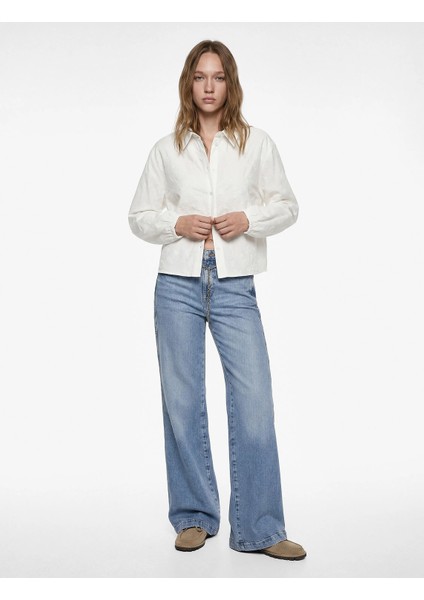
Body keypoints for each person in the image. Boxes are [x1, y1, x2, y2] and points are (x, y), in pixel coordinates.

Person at [128, 40, 306, 561]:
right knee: (182, 403)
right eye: (201, 76)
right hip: (177, 284)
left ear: (231, 83)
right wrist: (175, 224)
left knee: (254, 403)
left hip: (235, 285)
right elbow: (139, 216)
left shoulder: (256, 144)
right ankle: (193, 516)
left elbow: (288, 206)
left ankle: (261, 528)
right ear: (189, 83)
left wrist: (249, 219)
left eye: (219, 77)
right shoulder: (166, 149)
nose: (209, 86)